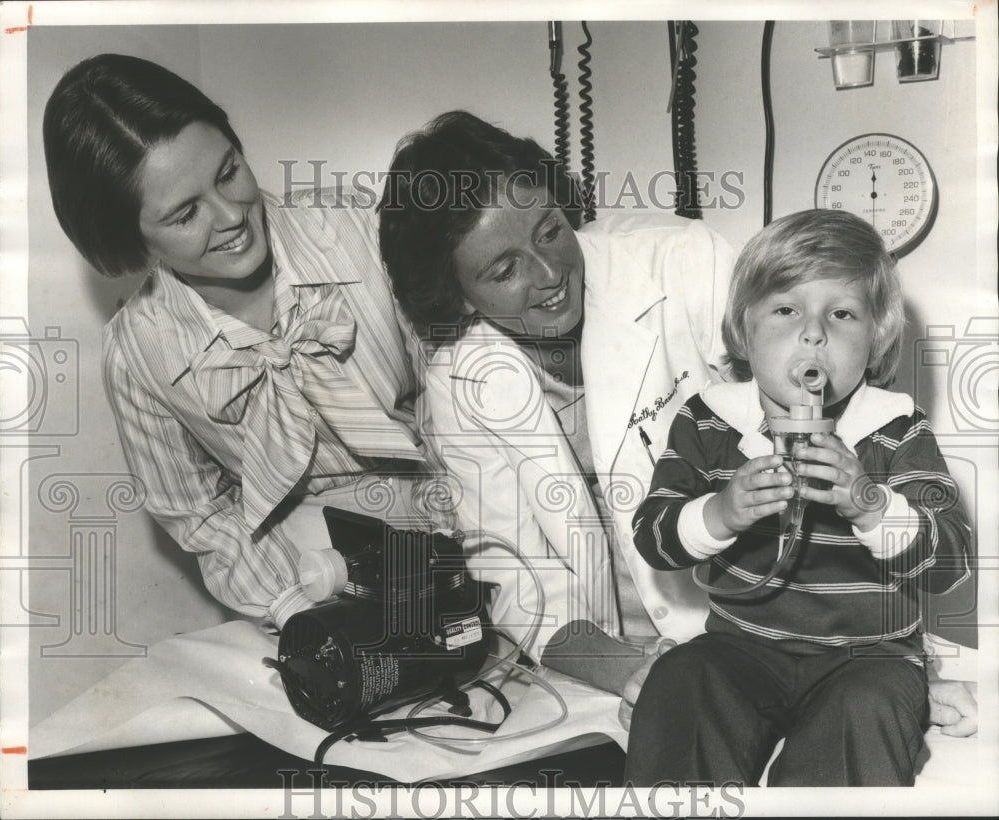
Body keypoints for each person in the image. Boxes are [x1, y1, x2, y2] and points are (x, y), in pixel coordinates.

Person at [43, 54, 447, 629]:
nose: (232, 215)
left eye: (229, 172)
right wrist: (294, 610)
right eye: (186, 214)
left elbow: (457, 383)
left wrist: (473, 535)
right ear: (129, 239)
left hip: (466, 517)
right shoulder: (136, 355)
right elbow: (199, 514)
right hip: (310, 574)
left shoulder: (360, 230)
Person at [378, 110, 736, 694]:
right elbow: (516, 576)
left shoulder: (688, 265)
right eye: (504, 269)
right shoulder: (460, 379)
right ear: (458, 297)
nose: (550, 273)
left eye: (549, 230)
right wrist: (632, 674)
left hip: (758, 626)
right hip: (610, 660)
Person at [626, 209, 972, 786]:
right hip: (742, 648)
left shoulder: (896, 428)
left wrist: (868, 502)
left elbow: (951, 564)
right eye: (786, 310)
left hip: (869, 656)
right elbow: (654, 537)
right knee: (681, 682)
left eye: (841, 314)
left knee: (868, 710)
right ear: (743, 329)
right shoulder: (708, 419)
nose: (813, 333)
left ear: (876, 338)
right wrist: (719, 513)